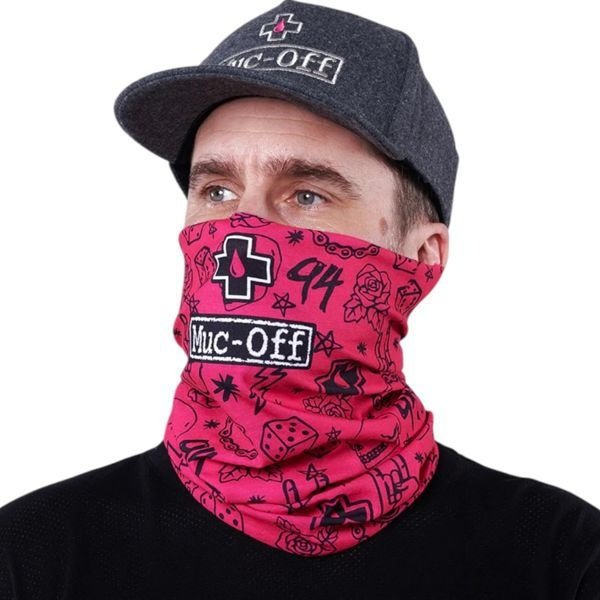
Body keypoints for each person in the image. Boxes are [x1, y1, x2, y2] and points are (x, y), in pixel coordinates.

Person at [1, 1, 599, 598]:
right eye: (217, 190)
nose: (242, 231)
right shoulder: (29, 556)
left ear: (420, 259)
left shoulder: (562, 560)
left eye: (308, 195)